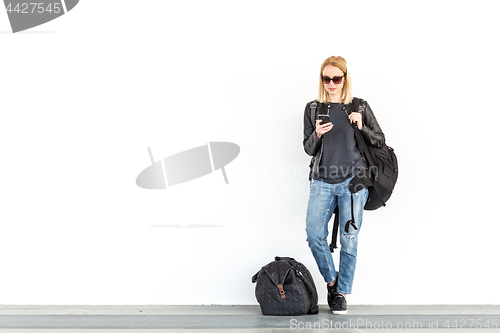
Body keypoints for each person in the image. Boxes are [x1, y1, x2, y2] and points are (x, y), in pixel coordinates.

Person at [302, 56, 385, 314]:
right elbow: (307, 149)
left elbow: (380, 140)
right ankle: (332, 281)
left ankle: (340, 294)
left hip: (354, 181)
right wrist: (316, 134)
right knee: (314, 234)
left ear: (345, 79)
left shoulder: (359, 106)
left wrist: (362, 126)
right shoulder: (313, 108)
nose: (331, 83)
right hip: (322, 180)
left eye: (336, 78)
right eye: (326, 78)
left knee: (349, 237)